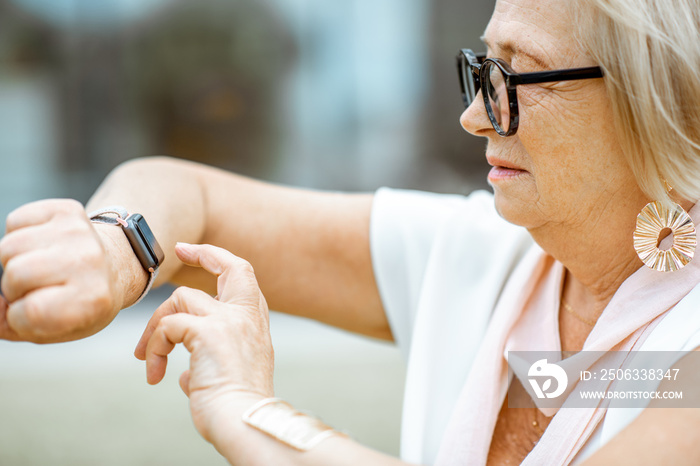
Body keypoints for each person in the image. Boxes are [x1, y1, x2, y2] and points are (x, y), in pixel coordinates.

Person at [1, 0, 700, 464]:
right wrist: (115, 248)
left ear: (660, 94)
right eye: (483, 71)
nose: (476, 117)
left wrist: (250, 415)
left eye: (518, 78)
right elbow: (194, 199)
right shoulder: (484, 255)